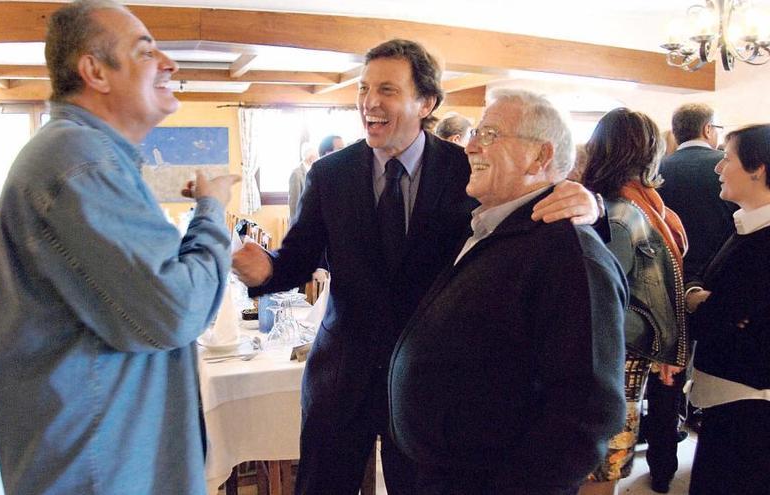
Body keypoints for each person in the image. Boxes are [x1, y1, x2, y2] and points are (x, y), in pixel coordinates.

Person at [232, 39, 600, 495]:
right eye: (364, 89)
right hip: (342, 375)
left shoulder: (464, 168)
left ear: (426, 102)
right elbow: (295, 262)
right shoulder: (329, 175)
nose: (369, 102)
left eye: (387, 89)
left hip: (430, 383)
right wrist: (262, 270)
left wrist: (589, 201)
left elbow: (524, 206)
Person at [0, 1, 239, 494]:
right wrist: (211, 212)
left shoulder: (87, 155)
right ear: (95, 71)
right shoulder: (80, 162)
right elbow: (172, 310)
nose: (170, 64)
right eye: (146, 52)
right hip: (98, 466)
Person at [388, 89, 626, 495]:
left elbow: (584, 416)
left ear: (540, 157)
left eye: (491, 134)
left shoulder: (570, 254)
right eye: (476, 132)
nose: (472, 146)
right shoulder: (487, 226)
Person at [579, 108, 688, 495]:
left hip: (614, 353)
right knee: (602, 463)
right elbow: (611, 298)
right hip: (615, 359)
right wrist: (662, 341)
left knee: (597, 460)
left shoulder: (610, 205)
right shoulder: (628, 211)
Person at [649, 103, 735, 487]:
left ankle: (662, 466)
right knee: (716, 374)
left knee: (666, 373)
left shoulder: (658, 170)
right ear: (706, 128)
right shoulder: (726, 169)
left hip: (664, 287)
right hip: (717, 286)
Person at [686, 124, 770, 495]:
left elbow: (722, 318)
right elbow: (713, 293)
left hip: (748, 403)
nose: (718, 168)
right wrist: (700, 298)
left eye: (726, 158)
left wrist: (704, 305)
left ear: (759, 169)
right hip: (726, 396)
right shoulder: (746, 225)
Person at [288, 141, 318, 221]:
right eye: (317, 155)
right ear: (311, 157)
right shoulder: (296, 174)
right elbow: (294, 203)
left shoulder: (313, 171)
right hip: (300, 221)